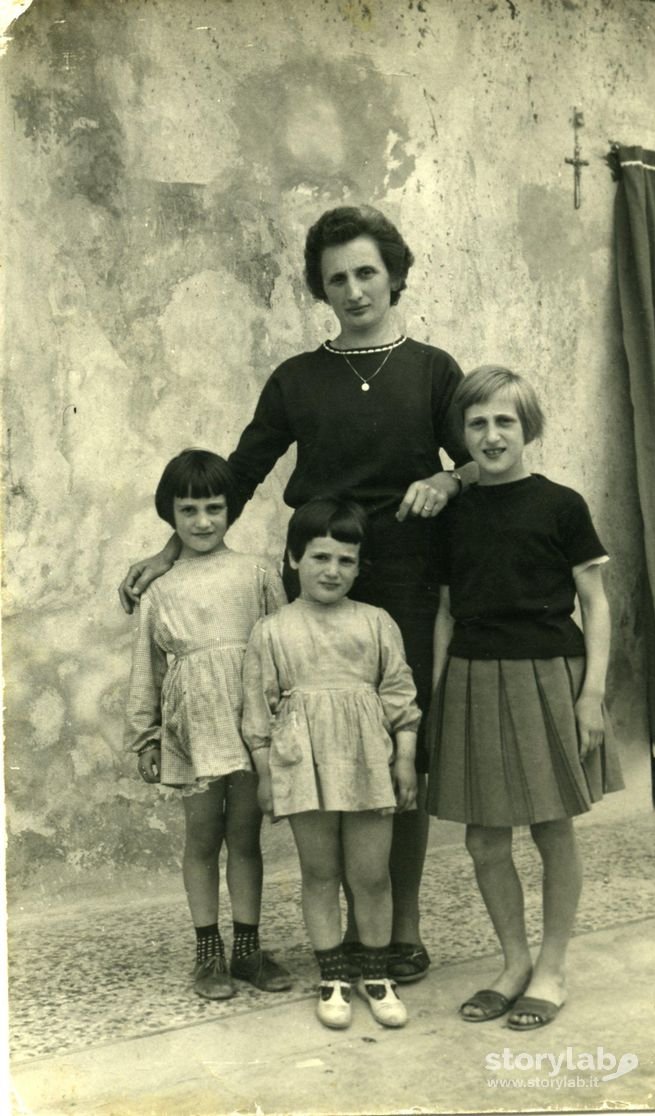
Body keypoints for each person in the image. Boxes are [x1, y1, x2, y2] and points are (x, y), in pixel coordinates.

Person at [118, 205, 476, 983]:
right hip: (311, 585)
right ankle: (336, 933)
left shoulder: (432, 369)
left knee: (389, 750)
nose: (353, 290)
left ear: (394, 275)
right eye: (336, 278)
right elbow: (238, 474)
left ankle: (395, 930)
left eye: (366, 273)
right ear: (320, 288)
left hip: (407, 583)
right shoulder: (296, 378)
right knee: (317, 746)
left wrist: (447, 478)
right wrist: (167, 549)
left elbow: (481, 455)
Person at [426, 366, 624, 1031]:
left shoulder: (560, 504)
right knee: (484, 838)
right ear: (462, 433)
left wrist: (591, 694)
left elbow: (595, 606)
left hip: (549, 674)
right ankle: (512, 963)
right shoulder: (453, 510)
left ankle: (552, 967)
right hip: (474, 678)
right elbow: (447, 613)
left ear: (526, 427)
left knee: (550, 827)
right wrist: (435, 697)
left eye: (503, 421)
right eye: (476, 422)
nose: (489, 434)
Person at [242, 497, 420, 1029]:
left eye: (346, 560)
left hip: (368, 764)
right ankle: (333, 975)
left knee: (371, 875)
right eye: (320, 557)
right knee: (320, 873)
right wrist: (268, 777)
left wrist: (405, 761)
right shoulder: (272, 631)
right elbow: (257, 711)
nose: (333, 570)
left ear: (360, 566)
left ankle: (375, 972)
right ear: (294, 558)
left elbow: (399, 696)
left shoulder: (377, 622)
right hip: (302, 767)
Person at [124, 449, 292, 1001]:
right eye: (189, 510)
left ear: (230, 510)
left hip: (249, 728)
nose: (202, 522)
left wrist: (286, 724)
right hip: (192, 730)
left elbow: (284, 652)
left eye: (214, 508)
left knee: (244, 838)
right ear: (169, 515)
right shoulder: (159, 588)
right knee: (202, 838)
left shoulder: (257, 574)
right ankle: (207, 950)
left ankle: (247, 947)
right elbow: (145, 667)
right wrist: (145, 736)